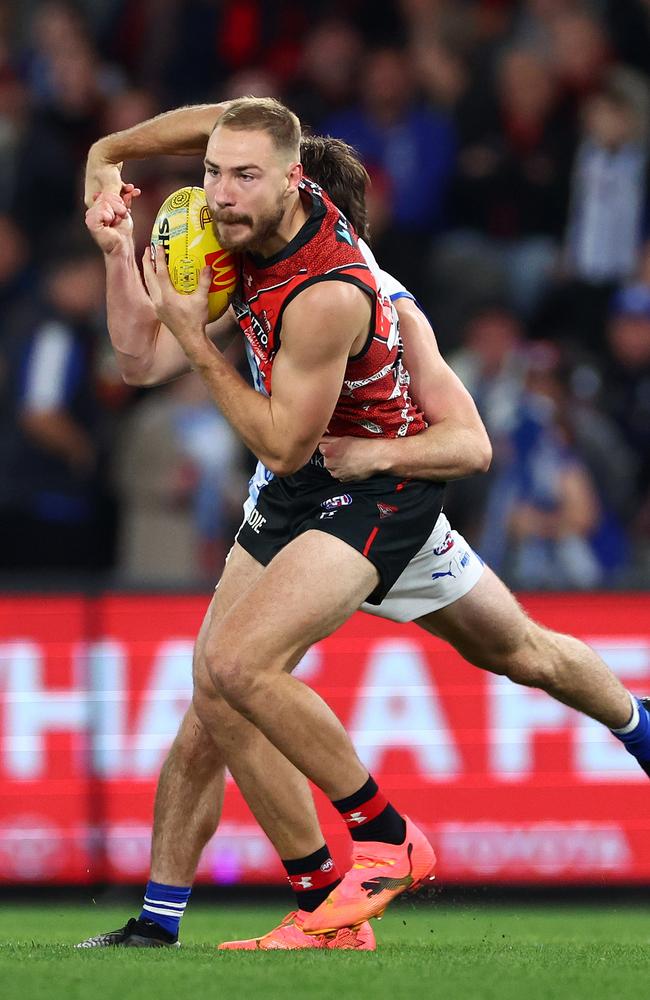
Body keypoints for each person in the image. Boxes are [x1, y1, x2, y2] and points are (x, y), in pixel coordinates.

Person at [79, 101, 650, 951]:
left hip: (376, 492)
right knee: (232, 692)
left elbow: (464, 442)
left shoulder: (351, 293)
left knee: (241, 666)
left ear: (299, 191)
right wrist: (119, 233)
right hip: (298, 493)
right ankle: (210, 919)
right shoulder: (247, 249)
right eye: (215, 176)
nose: (222, 199)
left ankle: (383, 839)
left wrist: (207, 352)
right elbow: (138, 359)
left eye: (245, 181)